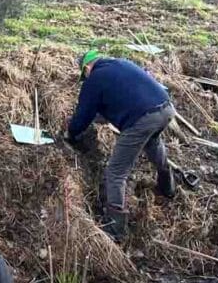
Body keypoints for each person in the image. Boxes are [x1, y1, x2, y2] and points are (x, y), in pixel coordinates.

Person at [64, 50, 177, 241]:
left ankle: (116, 227)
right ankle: (168, 186)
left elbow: (83, 114)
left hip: (142, 119)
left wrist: (72, 134)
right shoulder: (121, 64)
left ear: (86, 68)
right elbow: (125, 97)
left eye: (84, 75)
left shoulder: (95, 78)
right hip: (165, 108)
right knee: (153, 142)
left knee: (116, 171)